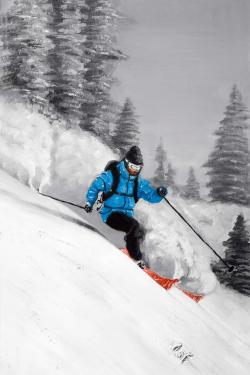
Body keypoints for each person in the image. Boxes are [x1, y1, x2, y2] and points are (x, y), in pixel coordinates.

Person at [83, 146, 167, 268]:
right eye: (133, 167)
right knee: (134, 226)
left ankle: (142, 260)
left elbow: (151, 196)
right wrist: (89, 203)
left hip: (127, 215)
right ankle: (135, 259)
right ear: (126, 163)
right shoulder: (111, 176)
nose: (134, 170)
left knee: (141, 231)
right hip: (111, 214)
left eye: (138, 168)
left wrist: (159, 193)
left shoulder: (137, 182)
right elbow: (95, 186)